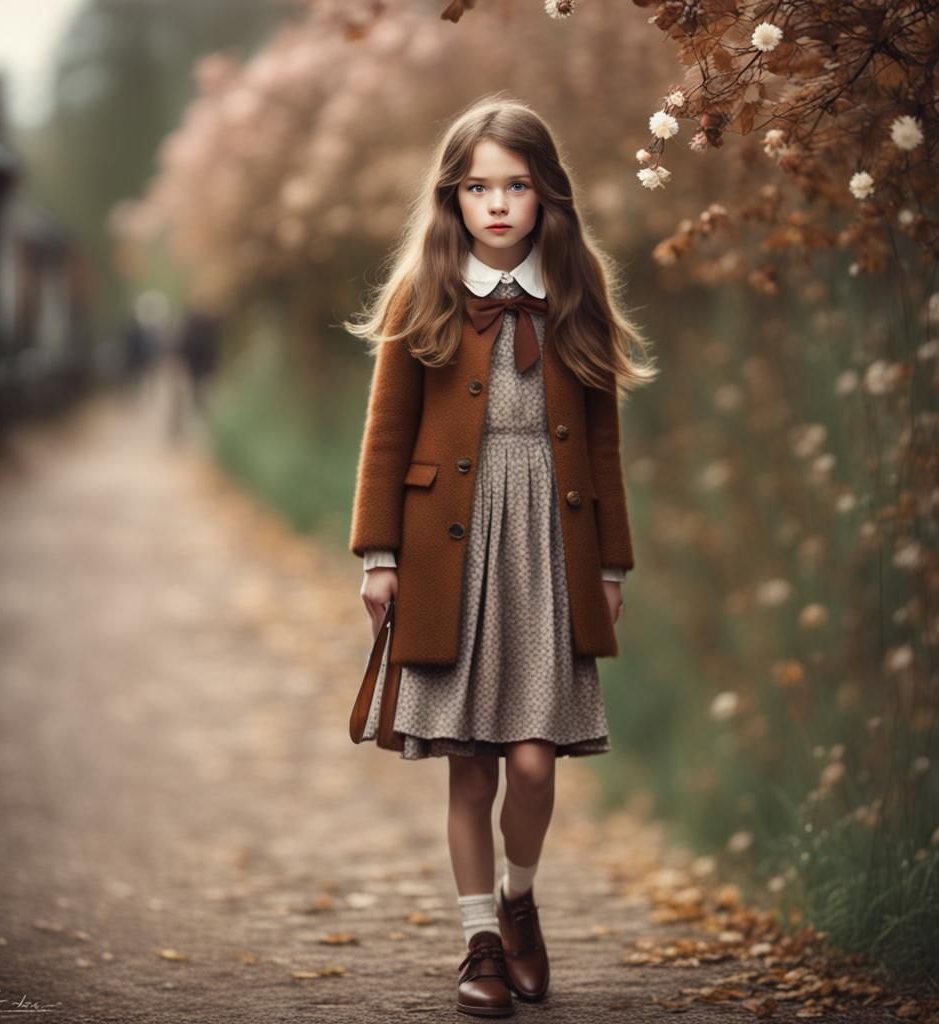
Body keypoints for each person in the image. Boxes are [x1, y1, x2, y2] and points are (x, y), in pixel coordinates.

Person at [345, 95, 658, 1017]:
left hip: (550, 553)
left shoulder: (575, 289)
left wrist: (611, 569)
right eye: (478, 186)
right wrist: (377, 555)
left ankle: (521, 901)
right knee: (470, 764)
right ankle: (478, 937)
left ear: (544, 194)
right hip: (451, 550)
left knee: (532, 762)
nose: (496, 204)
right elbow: (386, 432)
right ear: (453, 197)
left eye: (514, 186)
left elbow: (601, 442)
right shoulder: (424, 294)